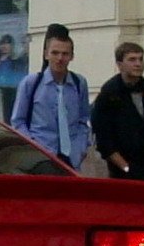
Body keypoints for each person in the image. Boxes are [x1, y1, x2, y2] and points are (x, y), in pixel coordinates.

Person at [9, 23, 91, 169]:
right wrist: (34, 149)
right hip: (41, 157)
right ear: (46, 54)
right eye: (55, 53)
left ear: (72, 56)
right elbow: (18, 122)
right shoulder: (31, 83)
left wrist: (81, 148)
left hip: (71, 159)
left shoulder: (79, 83)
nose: (60, 58)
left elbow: (83, 120)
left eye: (65, 54)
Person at [90, 41, 144, 181]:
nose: (138, 64)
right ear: (120, 64)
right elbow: (104, 140)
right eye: (132, 59)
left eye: (140, 59)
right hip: (122, 171)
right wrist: (125, 168)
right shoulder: (108, 94)